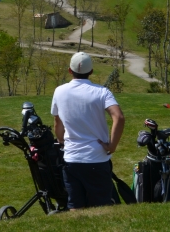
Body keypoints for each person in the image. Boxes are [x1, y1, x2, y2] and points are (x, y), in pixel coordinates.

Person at [51, 52, 125, 209]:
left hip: (71, 159)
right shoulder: (102, 92)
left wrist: (62, 141)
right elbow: (119, 117)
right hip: (97, 159)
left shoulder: (59, 91)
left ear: (70, 70)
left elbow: (57, 124)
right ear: (91, 71)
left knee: (75, 206)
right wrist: (111, 146)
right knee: (101, 207)